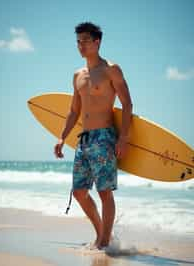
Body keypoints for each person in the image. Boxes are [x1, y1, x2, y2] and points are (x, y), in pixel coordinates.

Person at [54, 22, 132, 249]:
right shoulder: (78, 75)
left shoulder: (111, 69)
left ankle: (104, 242)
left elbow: (127, 103)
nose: (81, 46)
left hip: (104, 137)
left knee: (104, 191)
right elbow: (73, 110)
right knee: (79, 192)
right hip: (84, 139)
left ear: (97, 42)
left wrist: (123, 137)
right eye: (78, 41)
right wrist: (62, 137)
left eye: (85, 41)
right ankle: (101, 234)